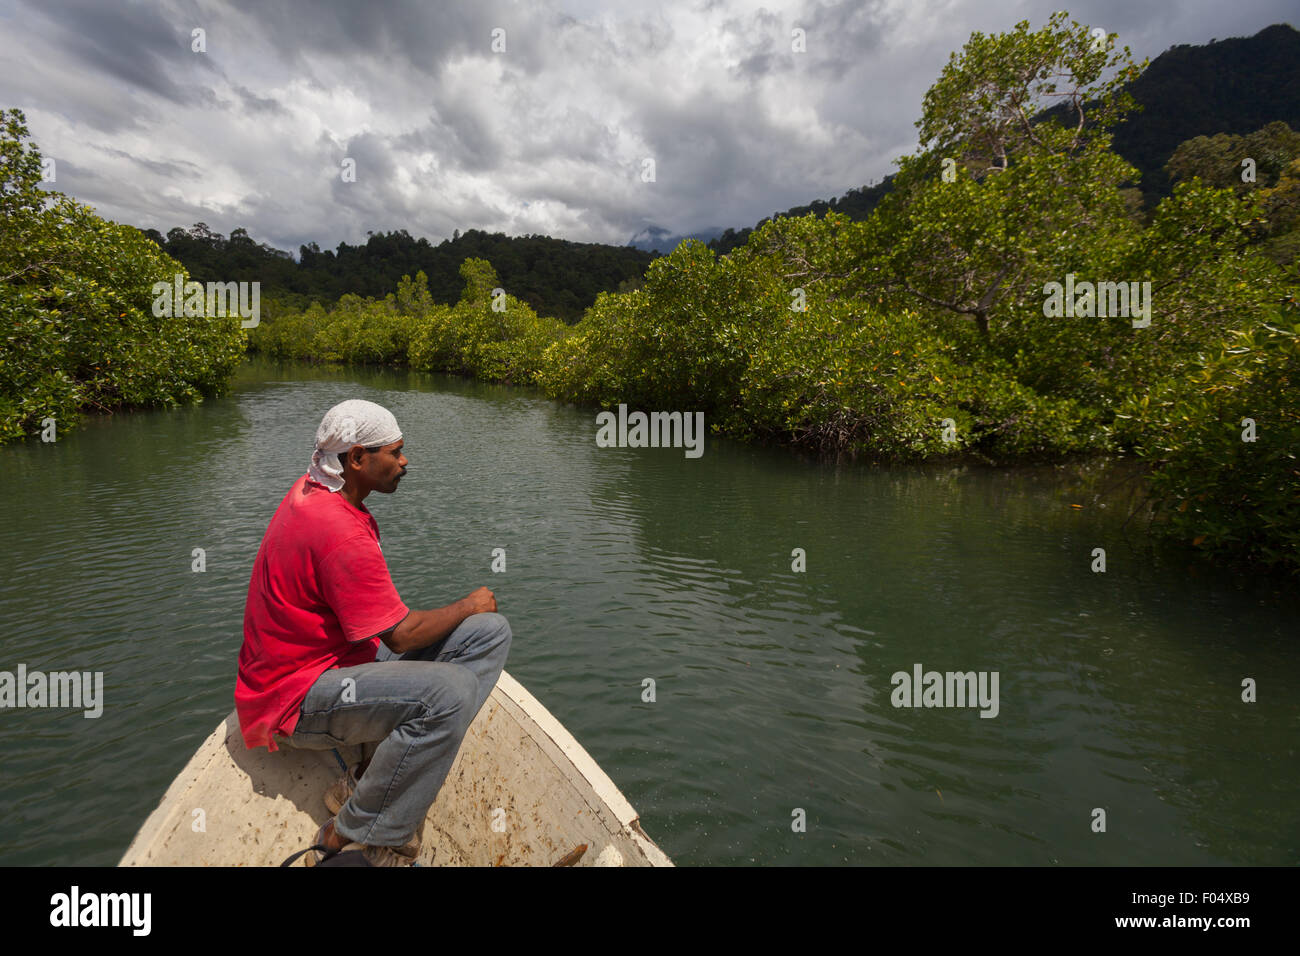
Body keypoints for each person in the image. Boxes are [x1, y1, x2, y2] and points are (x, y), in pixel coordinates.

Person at [234, 398, 512, 866]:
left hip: (336, 661)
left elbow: (383, 631)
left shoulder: (316, 490)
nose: (405, 463)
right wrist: (468, 603)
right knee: (448, 693)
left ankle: (364, 780)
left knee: (489, 633)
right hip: (294, 696)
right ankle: (357, 833)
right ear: (357, 458)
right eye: (395, 452)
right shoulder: (337, 530)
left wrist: (473, 615)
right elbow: (401, 637)